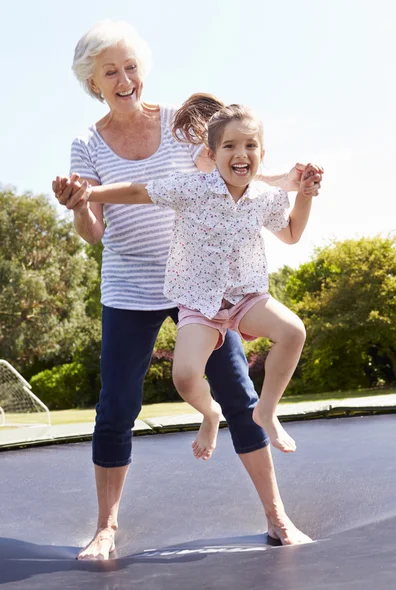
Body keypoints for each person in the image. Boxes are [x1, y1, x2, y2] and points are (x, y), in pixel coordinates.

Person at [53, 20, 322, 559]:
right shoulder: (87, 144)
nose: (125, 78)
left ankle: (277, 516)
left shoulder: (180, 122)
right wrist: (82, 202)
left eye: (131, 67)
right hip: (131, 285)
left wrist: (287, 184)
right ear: (94, 83)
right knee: (116, 406)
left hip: (206, 284)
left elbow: (231, 163)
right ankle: (106, 527)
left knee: (242, 397)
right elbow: (95, 229)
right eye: (111, 72)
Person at [59, 93, 322, 459]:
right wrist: (89, 193)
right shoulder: (191, 188)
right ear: (212, 155)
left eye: (250, 145)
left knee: (294, 331)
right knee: (184, 378)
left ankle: (266, 409)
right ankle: (209, 412)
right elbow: (136, 191)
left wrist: (305, 194)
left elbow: (292, 234)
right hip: (200, 303)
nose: (240, 153)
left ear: (262, 154)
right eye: (229, 145)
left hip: (246, 298)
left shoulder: (266, 197)